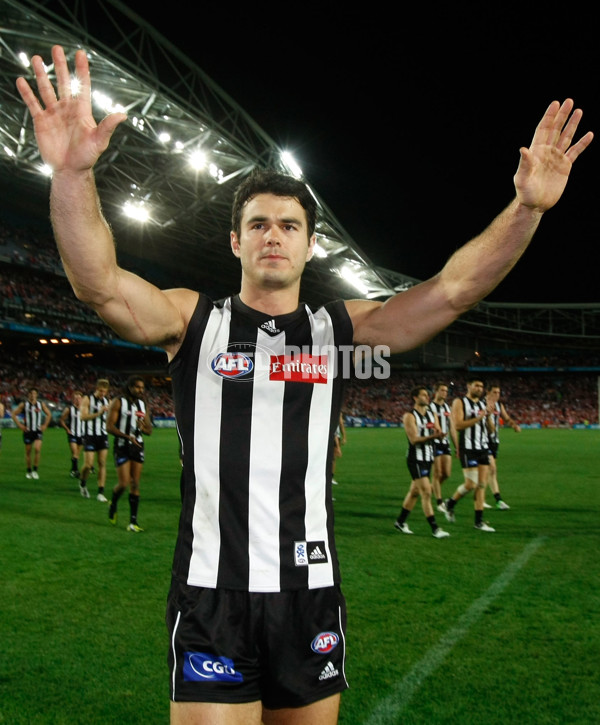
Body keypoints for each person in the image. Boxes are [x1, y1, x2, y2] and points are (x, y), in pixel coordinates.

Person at [16, 44, 592, 725]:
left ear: (309, 244)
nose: (273, 236)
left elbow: (452, 291)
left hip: (309, 591)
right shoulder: (190, 319)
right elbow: (98, 284)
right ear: (235, 241)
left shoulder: (339, 330)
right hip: (213, 591)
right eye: (257, 224)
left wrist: (527, 208)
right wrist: (72, 175)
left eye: (289, 225)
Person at [395, 386, 450, 539]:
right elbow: (413, 440)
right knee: (427, 491)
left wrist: (440, 435)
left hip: (428, 458)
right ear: (415, 398)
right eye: (424, 395)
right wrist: (433, 437)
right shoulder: (409, 416)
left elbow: (437, 431)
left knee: (414, 493)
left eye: (427, 395)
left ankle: (400, 522)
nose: (427, 397)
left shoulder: (433, 415)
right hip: (416, 459)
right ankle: (435, 529)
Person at [444, 377, 496, 531]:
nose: (479, 388)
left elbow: (491, 430)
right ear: (469, 386)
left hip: (483, 447)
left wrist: (487, 417)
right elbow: (458, 425)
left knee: (481, 485)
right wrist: (479, 417)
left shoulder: (482, 404)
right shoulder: (460, 402)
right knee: (471, 484)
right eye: (476, 385)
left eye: (481, 386)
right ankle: (450, 503)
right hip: (468, 447)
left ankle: (478, 522)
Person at [106, 375, 152, 533]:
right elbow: (109, 427)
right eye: (138, 387)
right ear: (130, 387)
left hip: (137, 446)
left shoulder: (142, 405)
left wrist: (141, 428)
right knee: (124, 483)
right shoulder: (118, 402)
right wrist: (127, 437)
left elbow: (149, 430)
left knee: (135, 483)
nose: (140, 390)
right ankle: (113, 502)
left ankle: (133, 522)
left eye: (142, 388)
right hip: (122, 445)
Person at [484, 382, 521, 510]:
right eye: (494, 392)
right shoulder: (481, 404)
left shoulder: (499, 405)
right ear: (487, 392)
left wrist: (514, 425)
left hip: (494, 442)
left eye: (499, 393)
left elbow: (506, 418)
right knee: (492, 469)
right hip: (482, 441)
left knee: (488, 472)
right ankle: (498, 499)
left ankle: (480, 498)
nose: (497, 395)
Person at [79, 378, 111, 501]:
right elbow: (82, 417)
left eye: (105, 392)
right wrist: (99, 413)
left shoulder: (107, 401)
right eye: (101, 391)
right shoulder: (87, 399)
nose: (103, 394)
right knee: (88, 465)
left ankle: (100, 492)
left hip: (102, 435)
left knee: (102, 463)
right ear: (97, 389)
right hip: (89, 435)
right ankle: (82, 483)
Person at [429, 381, 458, 512]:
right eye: (442, 390)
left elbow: (452, 427)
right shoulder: (430, 407)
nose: (445, 393)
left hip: (445, 443)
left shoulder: (447, 408)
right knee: (437, 473)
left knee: (446, 474)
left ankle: (430, 490)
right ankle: (439, 502)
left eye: (446, 391)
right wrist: (437, 432)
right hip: (433, 442)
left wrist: (457, 446)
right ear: (436, 391)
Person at [11, 387, 51, 480]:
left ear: (36, 395)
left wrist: (45, 425)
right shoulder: (24, 405)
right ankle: (29, 471)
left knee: (37, 449)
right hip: (28, 431)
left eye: (34, 393)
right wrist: (20, 425)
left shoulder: (41, 404)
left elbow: (49, 414)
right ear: (28, 395)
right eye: (31, 393)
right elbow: (14, 414)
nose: (32, 395)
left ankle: (35, 470)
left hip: (38, 431)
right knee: (28, 452)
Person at [59, 389, 84, 478]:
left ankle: (73, 469)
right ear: (73, 399)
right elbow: (62, 420)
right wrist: (67, 429)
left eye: (79, 398)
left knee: (77, 454)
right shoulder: (69, 409)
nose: (77, 400)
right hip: (72, 433)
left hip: (82, 434)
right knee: (74, 451)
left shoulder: (85, 409)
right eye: (76, 399)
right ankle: (76, 470)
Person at [331, 413, 346, 485]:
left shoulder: (338, 413)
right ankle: (329, 477)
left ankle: (330, 477)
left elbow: (341, 425)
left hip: (335, 436)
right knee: (332, 458)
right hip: (332, 436)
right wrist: (338, 447)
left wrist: (344, 437)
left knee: (333, 458)